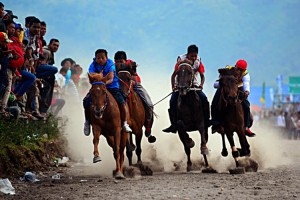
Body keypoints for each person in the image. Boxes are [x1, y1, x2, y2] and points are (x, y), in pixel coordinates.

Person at [83, 49, 132, 136]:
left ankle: (124, 123)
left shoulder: (111, 65)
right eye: (98, 58)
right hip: (98, 88)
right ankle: (87, 122)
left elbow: (111, 78)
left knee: (122, 101)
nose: (100, 60)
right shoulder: (92, 66)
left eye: (102, 58)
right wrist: (98, 85)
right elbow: (92, 78)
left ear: (106, 58)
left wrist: (102, 83)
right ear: (95, 58)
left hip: (112, 87)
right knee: (86, 101)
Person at [163, 44, 210, 133]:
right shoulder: (180, 60)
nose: (193, 58)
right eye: (191, 56)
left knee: (204, 99)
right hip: (180, 86)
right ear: (187, 54)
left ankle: (207, 120)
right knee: (172, 101)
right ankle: (173, 124)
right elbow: (173, 75)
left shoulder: (198, 61)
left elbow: (202, 76)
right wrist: (173, 87)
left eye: (195, 56)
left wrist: (201, 85)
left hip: (194, 86)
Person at [211, 59, 256, 137]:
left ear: (244, 70)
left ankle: (246, 127)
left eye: (241, 70)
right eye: (237, 69)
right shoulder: (227, 70)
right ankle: (215, 123)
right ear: (235, 67)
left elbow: (246, 84)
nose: (238, 71)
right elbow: (216, 84)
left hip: (239, 88)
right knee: (214, 102)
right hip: (227, 88)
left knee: (246, 105)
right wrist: (222, 83)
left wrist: (246, 92)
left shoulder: (246, 75)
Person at [114, 51, 154, 137]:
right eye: (117, 62)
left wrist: (130, 81)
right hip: (119, 87)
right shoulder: (113, 67)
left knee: (149, 104)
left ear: (125, 61)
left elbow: (134, 78)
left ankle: (148, 126)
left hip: (135, 85)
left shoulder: (130, 64)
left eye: (121, 61)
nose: (119, 64)